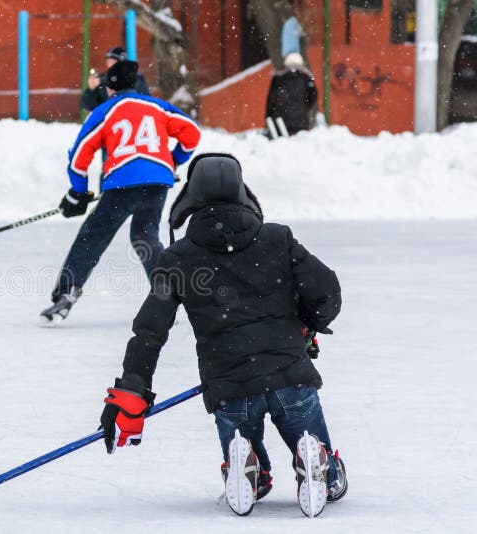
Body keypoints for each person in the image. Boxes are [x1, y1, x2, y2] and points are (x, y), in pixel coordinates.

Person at [98, 153, 348, 517]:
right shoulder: (278, 239)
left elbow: (150, 331)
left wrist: (133, 388)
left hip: (231, 387)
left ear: (191, 199)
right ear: (242, 192)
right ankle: (319, 462)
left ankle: (247, 465)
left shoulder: (177, 258)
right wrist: (307, 324)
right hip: (290, 377)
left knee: (241, 434)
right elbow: (328, 291)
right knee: (314, 446)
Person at [41, 60, 201, 325]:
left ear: (110, 87)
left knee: (93, 236)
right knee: (145, 234)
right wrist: (172, 160)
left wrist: (78, 192)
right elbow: (192, 133)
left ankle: (67, 292)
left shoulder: (105, 111)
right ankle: (165, 289)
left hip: (122, 183)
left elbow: (79, 155)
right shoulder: (157, 106)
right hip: (157, 183)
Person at [80, 46, 150, 112]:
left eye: (113, 61)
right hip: (110, 119)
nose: (109, 64)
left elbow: (143, 101)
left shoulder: (135, 78)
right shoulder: (101, 79)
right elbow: (88, 105)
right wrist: (91, 90)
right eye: (108, 61)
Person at [265, 53, 318, 138]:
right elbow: (313, 96)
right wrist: (305, 107)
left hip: (282, 120)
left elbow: (271, 99)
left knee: (283, 145)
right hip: (301, 119)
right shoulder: (306, 77)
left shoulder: (278, 77)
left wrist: (269, 115)